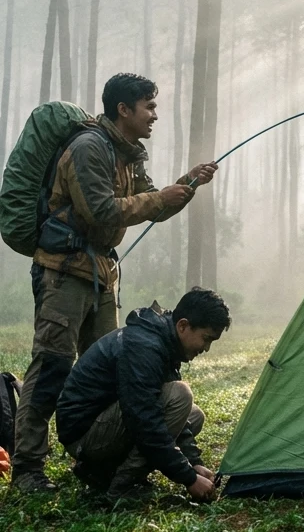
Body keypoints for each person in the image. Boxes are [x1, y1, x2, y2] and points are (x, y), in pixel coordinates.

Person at [12, 73, 218, 492]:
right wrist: (159, 198)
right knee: (52, 367)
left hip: (102, 275)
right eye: (149, 106)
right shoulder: (89, 147)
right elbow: (101, 211)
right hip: (63, 271)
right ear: (124, 109)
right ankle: (27, 468)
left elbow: (153, 207)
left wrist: (188, 183)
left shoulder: (129, 155)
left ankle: (97, 463)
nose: (155, 115)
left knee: (112, 370)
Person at [55, 287, 230, 502]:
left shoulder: (164, 340)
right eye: (206, 338)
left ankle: (102, 472)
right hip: (84, 436)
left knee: (193, 415)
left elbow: (156, 413)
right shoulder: (144, 347)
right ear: (183, 325)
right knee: (180, 395)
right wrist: (189, 478)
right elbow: (144, 420)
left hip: (106, 425)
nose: (206, 348)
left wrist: (194, 463)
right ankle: (123, 486)